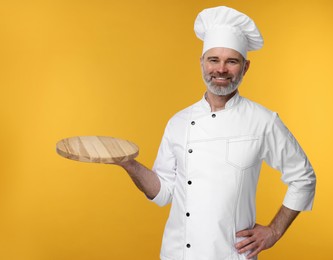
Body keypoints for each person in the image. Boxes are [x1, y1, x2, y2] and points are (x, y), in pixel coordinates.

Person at [115, 6, 316, 260]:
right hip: (176, 254)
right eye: (213, 60)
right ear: (202, 63)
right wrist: (128, 164)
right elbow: (164, 191)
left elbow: (304, 177)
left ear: (245, 67)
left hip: (230, 255)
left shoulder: (263, 121)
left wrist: (274, 231)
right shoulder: (178, 122)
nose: (221, 70)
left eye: (231, 61)